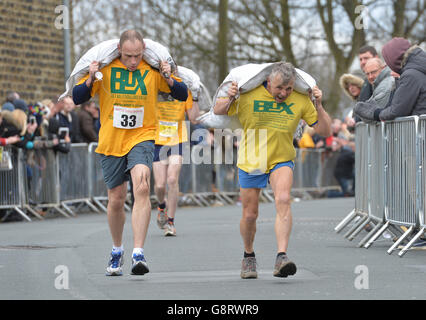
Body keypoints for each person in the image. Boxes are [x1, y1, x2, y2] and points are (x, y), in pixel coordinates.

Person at [72, 29, 188, 276]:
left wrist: (168, 77)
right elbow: (77, 96)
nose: (133, 61)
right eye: (128, 56)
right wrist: (91, 78)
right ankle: (117, 250)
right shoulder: (106, 69)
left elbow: (182, 93)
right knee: (116, 198)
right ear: (119, 50)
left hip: (143, 136)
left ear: (144, 50)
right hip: (111, 140)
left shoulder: (152, 70)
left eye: (137, 56)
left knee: (143, 186)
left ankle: (138, 253)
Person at [213, 62, 332, 279]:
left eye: (288, 89)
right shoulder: (248, 95)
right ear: (268, 82)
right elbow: (218, 110)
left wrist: (319, 105)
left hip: (281, 158)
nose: (284, 93)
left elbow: (325, 130)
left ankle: (281, 256)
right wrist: (230, 96)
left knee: (284, 199)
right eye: (279, 88)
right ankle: (248, 256)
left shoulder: (300, 99)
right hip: (252, 159)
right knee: (250, 215)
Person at [153, 81, 200, 237]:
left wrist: (196, 97)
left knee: (172, 179)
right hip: (157, 140)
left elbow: (194, 119)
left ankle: (171, 222)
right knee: (160, 186)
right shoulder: (154, 87)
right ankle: (161, 207)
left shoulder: (183, 90)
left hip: (177, 140)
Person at [354, 38, 425, 122]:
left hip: (420, 131)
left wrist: (376, 113)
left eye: (388, 61)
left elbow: (397, 110)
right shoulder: (419, 69)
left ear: (394, 58)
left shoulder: (410, 75)